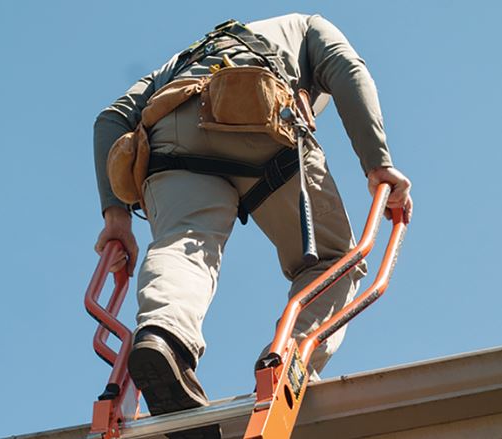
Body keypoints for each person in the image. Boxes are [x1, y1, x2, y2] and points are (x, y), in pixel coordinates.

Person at [93, 13, 412, 439]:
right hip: (259, 118)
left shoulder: (178, 61)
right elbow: (346, 67)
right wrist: (379, 165)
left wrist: (117, 219)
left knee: (184, 242)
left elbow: (111, 119)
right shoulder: (308, 25)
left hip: (171, 136)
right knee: (337, 260)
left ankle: (163, 336)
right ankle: (287, 361)